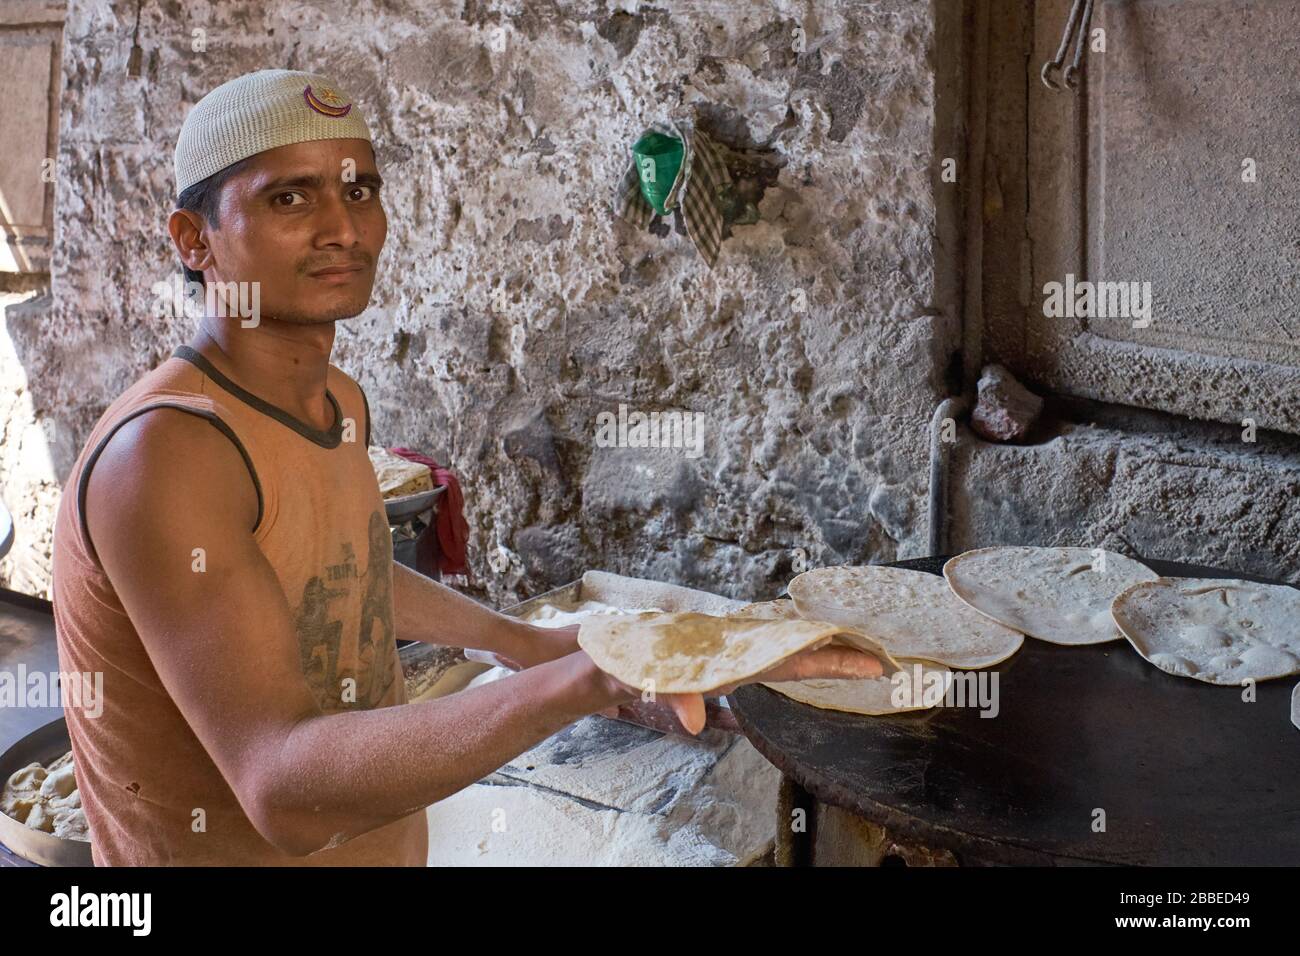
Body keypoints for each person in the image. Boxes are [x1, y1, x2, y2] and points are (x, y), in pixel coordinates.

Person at [51, 69, 882, 866]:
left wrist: (522, 644)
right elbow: (284, 789)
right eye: (289, 197)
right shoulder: (169, 453)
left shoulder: (334, 400)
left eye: (359, 190)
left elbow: (340, 567)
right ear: (195, 239)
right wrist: (603, 676)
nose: (341, 227)